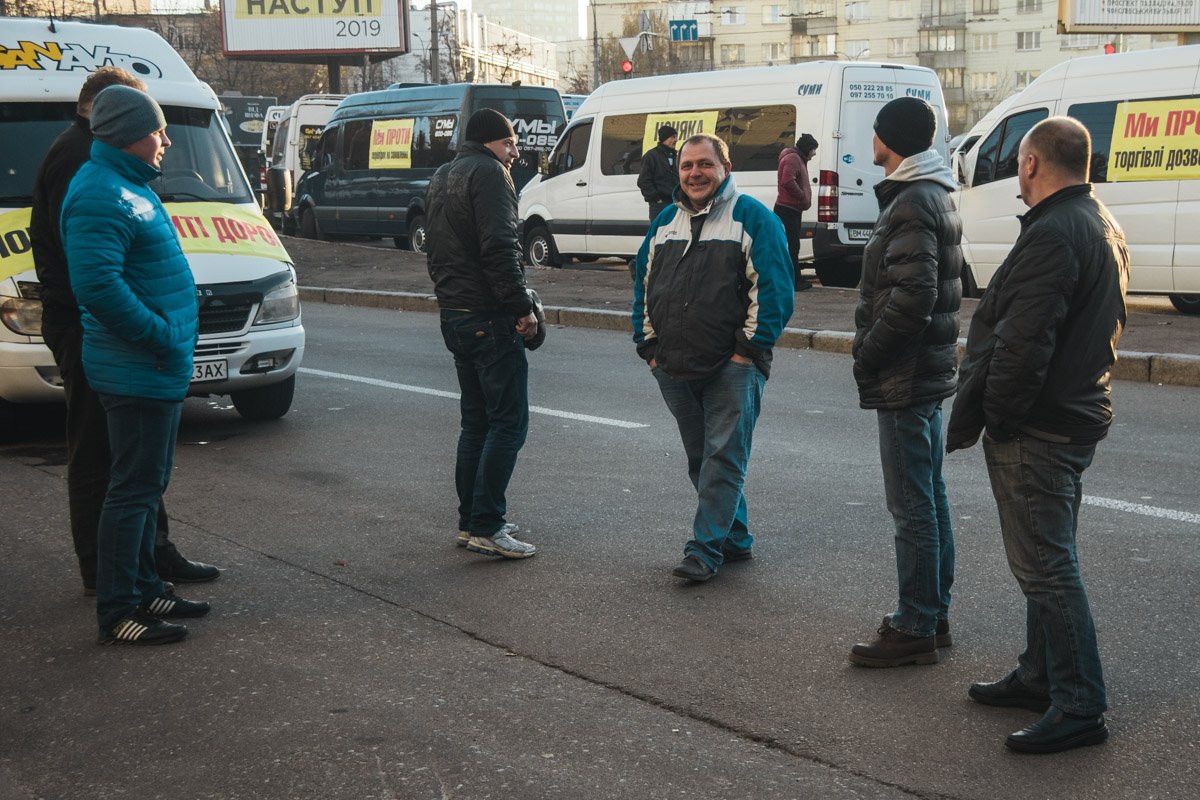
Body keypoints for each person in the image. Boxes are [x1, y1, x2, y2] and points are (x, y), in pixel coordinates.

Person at [947, 116, 1127, 754]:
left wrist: (1001, 417)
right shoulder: (1097, 219)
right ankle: (1039, 674)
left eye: (1017, 164)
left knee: (1047, 568)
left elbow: (1024, 342)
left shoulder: (1054, 232)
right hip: (1072, 415)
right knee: (1049, 558)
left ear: (1030, 164)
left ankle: (1079, 703)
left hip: (1041, 426)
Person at [30, 67, 219, 596]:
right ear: (108, 117)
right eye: (153, 126)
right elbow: (97, 275)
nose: (164, 139)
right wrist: (160, 333)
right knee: (100, 456)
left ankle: (148, 562)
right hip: (92, 332)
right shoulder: (80, 161)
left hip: (118, 336)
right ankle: (108, 576)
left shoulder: (115, 172)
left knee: (136, 466)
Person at [631, 133, 794, 582]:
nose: (695, 173)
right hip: (673, 365)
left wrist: (747, 352)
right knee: (702, 458)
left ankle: (704, 550)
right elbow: (643, 283)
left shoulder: (753, 218)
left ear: (726, 167)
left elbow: (776, 292)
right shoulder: (666, 220)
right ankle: (735, 537)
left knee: (723, 458)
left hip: (732, 366)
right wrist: (647, 347)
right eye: (686, 166)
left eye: (705, 164)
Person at [848, 97, 962, 668]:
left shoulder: (913, 199)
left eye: (875, 131)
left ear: (887, 139)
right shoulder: (932, 191)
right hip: (925, 369)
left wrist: (869, 353)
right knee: (929, 496)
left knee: (912, 504)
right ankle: (932, 614)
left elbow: (914, 295)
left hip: (906, 372)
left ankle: (916, 623)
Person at [426, 108, 539, 559]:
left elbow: (434, 246)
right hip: (489, 317)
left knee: (475, 422)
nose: (515, 152)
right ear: (491, 142)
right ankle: (488, 524)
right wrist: (522, 307)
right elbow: (501, 245)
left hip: (454, 312)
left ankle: (470, 520)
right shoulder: (491, 174)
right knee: (508, 423)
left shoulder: (443, 174)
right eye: (510, 142)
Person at [774, 133, 818, 291]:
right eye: (813, 150)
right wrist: (801, 196)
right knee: (792, 247)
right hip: (788, 210)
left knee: (793, 246)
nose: (814, 154)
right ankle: (795, 281)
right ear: (807, 148)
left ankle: (794, 280)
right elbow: (787, 180)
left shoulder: (797, 158)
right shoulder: (793, 159)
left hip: (792, 209)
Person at [637, 124, 678, 222]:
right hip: (659, 206)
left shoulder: (676, 155)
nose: (676, 140)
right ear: (664, 138)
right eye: (673, 137)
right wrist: (656, 199)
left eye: (676, 137)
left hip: (676, 204)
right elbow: (643, 181)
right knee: (659, 234)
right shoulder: (651, 156)